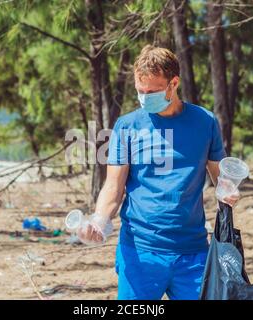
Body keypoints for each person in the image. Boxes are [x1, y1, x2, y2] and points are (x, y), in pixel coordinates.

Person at [78, 45, 240, 300]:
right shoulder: (127, 126)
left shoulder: (204, 121)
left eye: (151, 92)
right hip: (140, 251)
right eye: (140, 92)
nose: (144, 98)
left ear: (173, 84)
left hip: (193, 252)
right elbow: (113, 186)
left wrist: (227, 190)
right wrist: (99, 220)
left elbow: (220, 176)